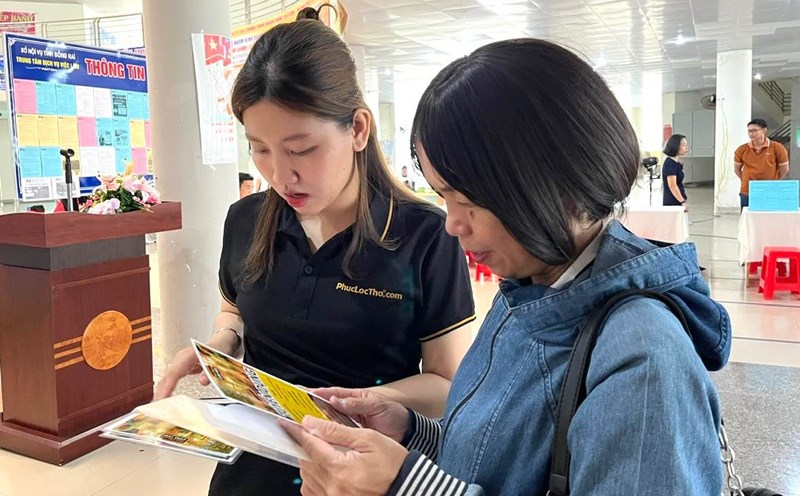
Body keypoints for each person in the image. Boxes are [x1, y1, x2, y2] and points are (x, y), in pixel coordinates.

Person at [283, 38, 732, 495]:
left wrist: (407, 488)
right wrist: (410, 434)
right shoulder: (529, 292)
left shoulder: (643, 360)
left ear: (556, 183)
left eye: (469, 200)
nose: (453, 224)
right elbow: (497, 462)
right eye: (443, 197)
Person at [154, 9, 476, 496]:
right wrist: (221, 345)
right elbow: (234, 311)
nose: (281, 174)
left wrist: (361, 401)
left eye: (301, 149)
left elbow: (446, 385)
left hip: (354, 473)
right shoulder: (245, 219)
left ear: (358, 130)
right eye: (260, 149)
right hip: (250, 469)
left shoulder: (426, 234)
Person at [734, 118, 789, 209]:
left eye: (754, 130)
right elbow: (737, 169)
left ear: (764, 130)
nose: (751, 133)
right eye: (749, 131)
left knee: (769, 218)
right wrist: (745, 180)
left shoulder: (777, 148)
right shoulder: (741, 149)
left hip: (769, 190)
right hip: (747, 191)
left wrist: (773, 180)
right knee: (748, 219)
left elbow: (784, 169)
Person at [661, 134, 689, 210]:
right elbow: (672, 185)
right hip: (672, 203)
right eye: (683, 145)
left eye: (686, 145)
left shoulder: (676, 163)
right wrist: (682, 201)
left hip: (677, 201)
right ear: (675, 146)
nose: (686, 147)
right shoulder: (670, 163)